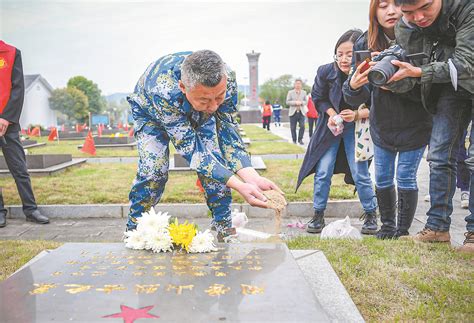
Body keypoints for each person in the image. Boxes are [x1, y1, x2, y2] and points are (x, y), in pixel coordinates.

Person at [126, 50, 282, 242]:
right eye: (205, 100)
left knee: (217, 164)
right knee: (153, 171)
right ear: (183, 87)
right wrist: (240, 186)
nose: (215, 106)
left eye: (219, 97)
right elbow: (194, 152)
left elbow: (229, 133)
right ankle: (135, 230)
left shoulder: (226, 79)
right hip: (151, 113)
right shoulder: (162, 89)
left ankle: (224, 227)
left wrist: (252, 177)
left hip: (197, 111)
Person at [385, 0, 472, 252]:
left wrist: (421, 72)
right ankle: (437, 227)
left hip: (463, 71)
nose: (419, 17)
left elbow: (466, 64)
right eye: (409, 12)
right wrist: (387, 77)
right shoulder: (407, 24)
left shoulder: (467, 7)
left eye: (425, 7)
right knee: (439, 155)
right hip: (450, 87)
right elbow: (409, 65)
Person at [342, 0, 432, 239]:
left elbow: (431, 87)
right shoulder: (364, 42)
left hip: (416, 122)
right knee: (381, 176)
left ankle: (402, 231)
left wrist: (400, 83)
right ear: (374, 10)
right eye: (383, 5)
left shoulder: (424, 36)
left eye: (396, 4)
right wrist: (352, 85)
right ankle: (387, 227)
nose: (391, 11)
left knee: (405, 175)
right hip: (382, 124)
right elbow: (355, 97)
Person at [296, 29, 378, 235]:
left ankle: (370, 213)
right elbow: (318, 97)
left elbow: (379, 106)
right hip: (330, 128)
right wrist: (333, 114)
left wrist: (357, 115)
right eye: (339, 54)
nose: (343, 59)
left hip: (356, 128)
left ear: (360, 53)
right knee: (323, 171)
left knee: (360, 172)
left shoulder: (370, 73)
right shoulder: (325, 71)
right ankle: (318, 214)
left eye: (349, 54)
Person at [0, 40, 49, 227]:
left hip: (8, 123)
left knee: (20, 169)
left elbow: (18, 88)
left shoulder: (11, 53)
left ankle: (31, 209)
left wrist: (6, 118)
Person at [286, 79, 308, 145]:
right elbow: (287, 102)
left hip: (301, 112)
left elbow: (306, 101)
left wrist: (301, 102)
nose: (298, 85)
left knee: (302, 126)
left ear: (301, 85)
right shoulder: (290, 92)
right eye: (297, 84)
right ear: (294, 85)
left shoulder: (304, 92)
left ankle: (300, 139)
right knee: (293, 127)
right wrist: (295, 103)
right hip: (293, 112)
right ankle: (294, 140)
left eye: (299, 84)